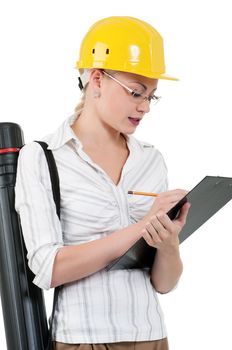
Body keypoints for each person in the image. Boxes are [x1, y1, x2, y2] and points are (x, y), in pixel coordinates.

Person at [15, 16, 190, 350]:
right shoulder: (44, 157)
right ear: (97, 79)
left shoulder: (150, 160)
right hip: (82, 340)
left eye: (152, 96)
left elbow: (164, 284)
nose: (145, 107)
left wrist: (168, 244)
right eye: (137, 92)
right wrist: (142, 227)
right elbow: (48, 268)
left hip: (152, 337)